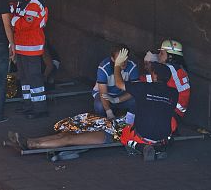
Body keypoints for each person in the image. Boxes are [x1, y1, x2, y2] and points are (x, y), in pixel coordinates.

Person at [12, 50, 179, 161]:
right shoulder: (173, 93)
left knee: (70, 138)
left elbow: (120, 83)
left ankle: (32, 144)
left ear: (155, 76)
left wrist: (116, 66)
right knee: (68, 135)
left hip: (120, 133)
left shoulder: (145, 87)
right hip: (147, 133)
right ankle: (31, 141)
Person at [10, 0, 49, 119]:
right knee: (24, 77)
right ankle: (28, 105)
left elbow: (24, 24)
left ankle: (40, 109)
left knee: (34, 77)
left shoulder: (35, 2)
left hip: (31, 46)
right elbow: (17, 15)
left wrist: (11, 19)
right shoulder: (24, 0)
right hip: (21, 45)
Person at [145, 39, 190, 132]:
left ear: (170, 56)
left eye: (161, 53)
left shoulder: (166, 70)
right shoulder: (180, 69)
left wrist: (148, 65)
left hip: (169, 114)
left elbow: (148, 86)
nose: (158, 56)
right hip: (177, 113)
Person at [93, 44, 139, 119]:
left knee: (137, 100)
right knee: (99, 106)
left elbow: (135, 90)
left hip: (122, 95)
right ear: (113, 59)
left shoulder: (132, 66)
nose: (123, 62)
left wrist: (116, 100)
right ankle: (104, 123)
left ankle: (130, 124)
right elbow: (103, 93)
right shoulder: (104, 67)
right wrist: (108, 112)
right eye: (119, 59)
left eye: (125, 58)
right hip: (106, 95)